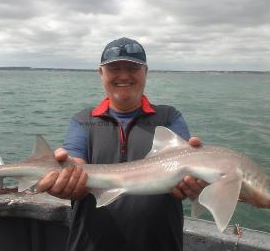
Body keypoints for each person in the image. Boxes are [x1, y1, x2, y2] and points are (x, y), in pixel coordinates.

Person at [37, 37, 208, 251]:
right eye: (114, 68)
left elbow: (186, 175)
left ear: (145, 72)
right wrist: (68, 178)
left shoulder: (169, 118)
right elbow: (76, 164)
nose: (124, 75)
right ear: (101, 73)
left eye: (132, 68)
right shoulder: (83, 121)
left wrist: (195, 184)